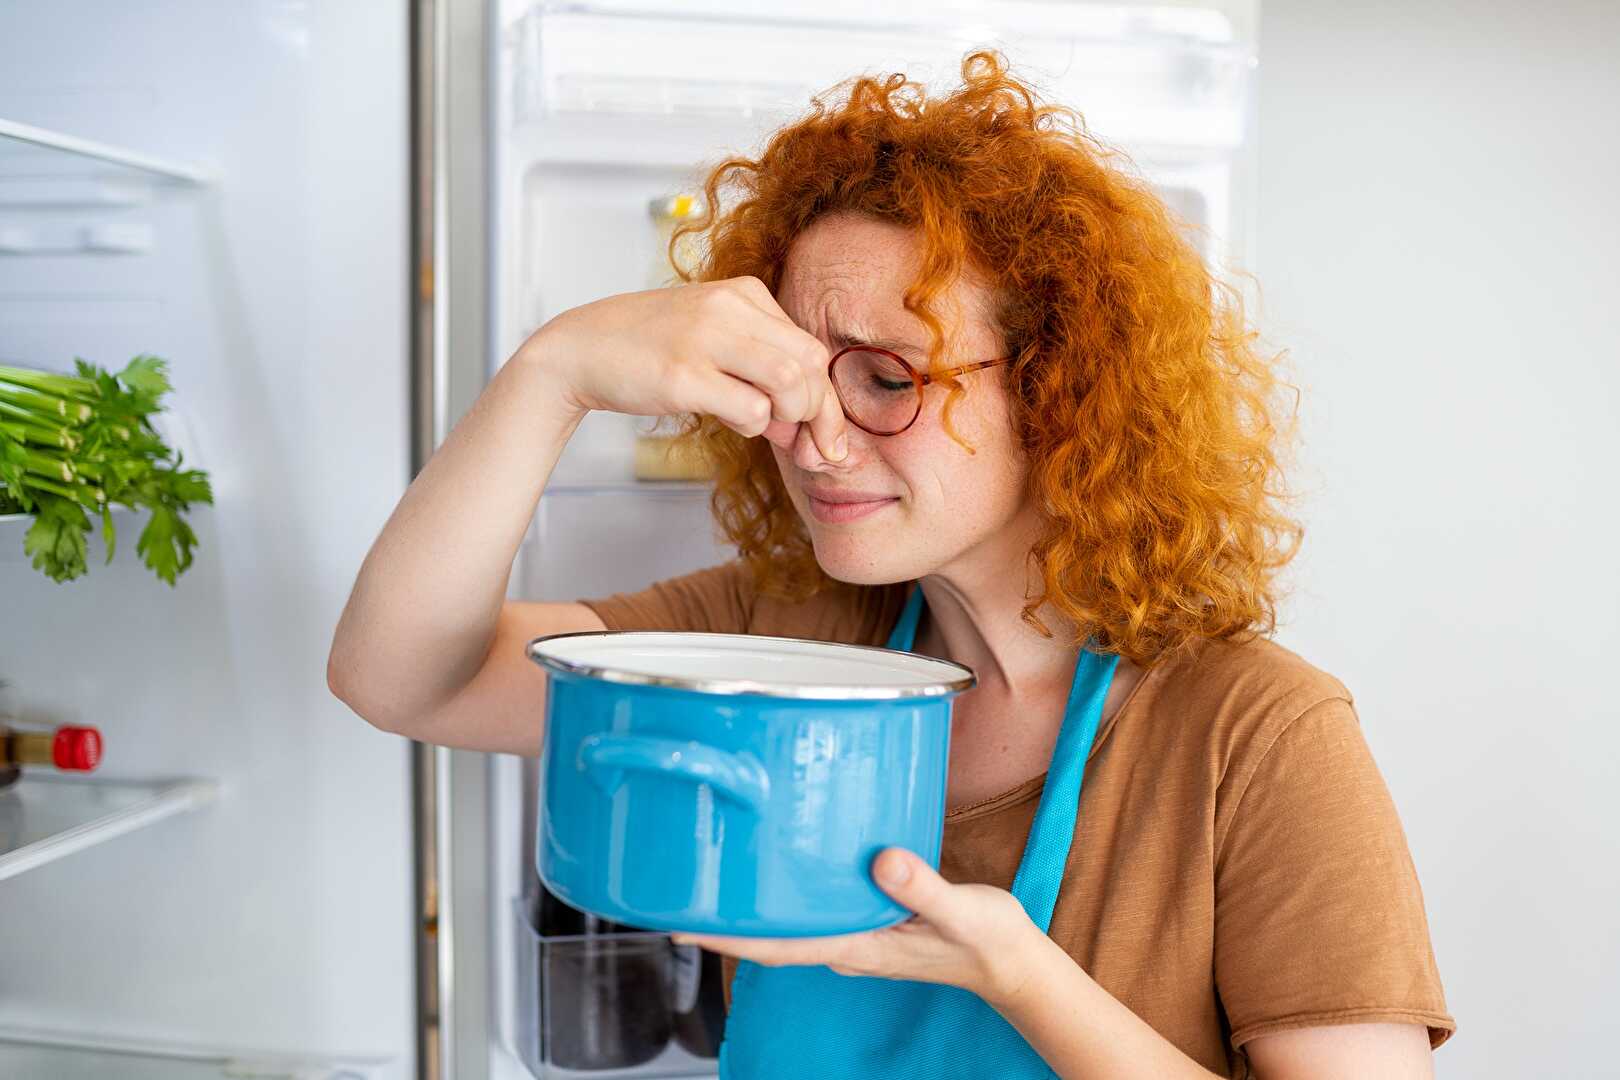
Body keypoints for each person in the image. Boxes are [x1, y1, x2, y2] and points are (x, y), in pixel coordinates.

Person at [328, 51, 1453, 1079]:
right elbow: (403, 676)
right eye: (797, 378)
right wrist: (551, 372)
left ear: (1057, 393)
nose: (815, 435)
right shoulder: (781, 637)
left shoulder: (1256, 739)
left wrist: (1018, 974)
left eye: (886, 377)